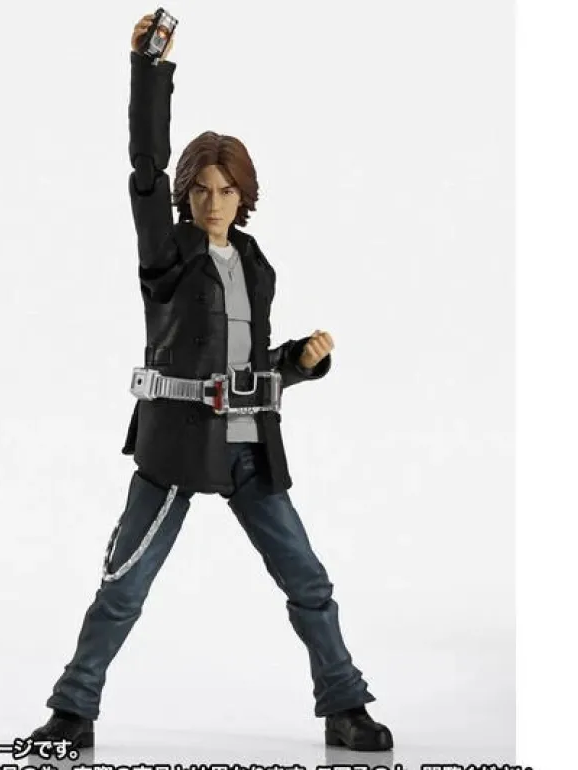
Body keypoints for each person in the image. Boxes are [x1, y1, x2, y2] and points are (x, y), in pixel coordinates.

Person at [29, 12, 393, 752]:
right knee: (125, 584)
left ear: (243, 195)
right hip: (175, 445)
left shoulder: (255, 264)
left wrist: (300, 362)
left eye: (226, 189)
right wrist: (149, 70)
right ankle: (73, 709)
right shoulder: (167, 256)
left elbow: (253, 365)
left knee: (309, 582)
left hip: (251, 448)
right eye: (201, 189)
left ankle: (344, 705)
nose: (215, 201)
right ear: (186, 195)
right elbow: (144, 170)